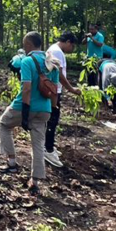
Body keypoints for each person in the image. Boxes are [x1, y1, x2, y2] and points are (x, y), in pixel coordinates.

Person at [0, 31, 59, 196]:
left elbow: (27, 88)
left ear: (29, 45)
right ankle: (35, 180)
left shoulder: (27, 61)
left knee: (4, 124)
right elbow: (54, 92)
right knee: (38, 144)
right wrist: (52, 111)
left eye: (25, 44)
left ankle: (11, 162)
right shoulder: (52, 63)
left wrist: (24, 114)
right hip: (44, 109)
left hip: (24, 106)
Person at [43, 32, 79, 168]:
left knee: (52, 119)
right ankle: (48, 149)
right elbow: (58, 74)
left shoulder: (54, 50)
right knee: (52, 119)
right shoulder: (57, 52)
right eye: (73, 46)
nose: (73, 49)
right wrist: (71, 89)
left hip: (54, 90)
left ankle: (48, 145)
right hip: (53, 91)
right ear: (68, 42)